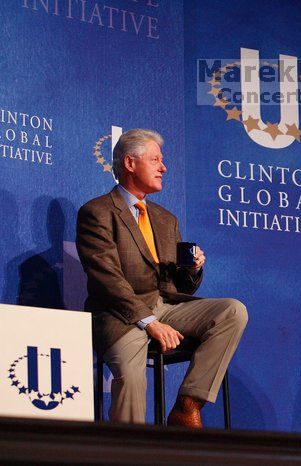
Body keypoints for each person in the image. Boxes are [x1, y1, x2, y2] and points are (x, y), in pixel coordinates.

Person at [76, 128, 247, 427]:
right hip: (120, 315)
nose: (164, 167)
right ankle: (129, 452)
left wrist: (192, 269)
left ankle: (186, 405)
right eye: (155, 159)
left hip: (166, 307)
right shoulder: (98, 212)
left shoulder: (166, 219)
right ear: (130, 163)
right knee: (131, 378)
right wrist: (149, 322)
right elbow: (107, 278)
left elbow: (178, 287)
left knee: (232, 311)